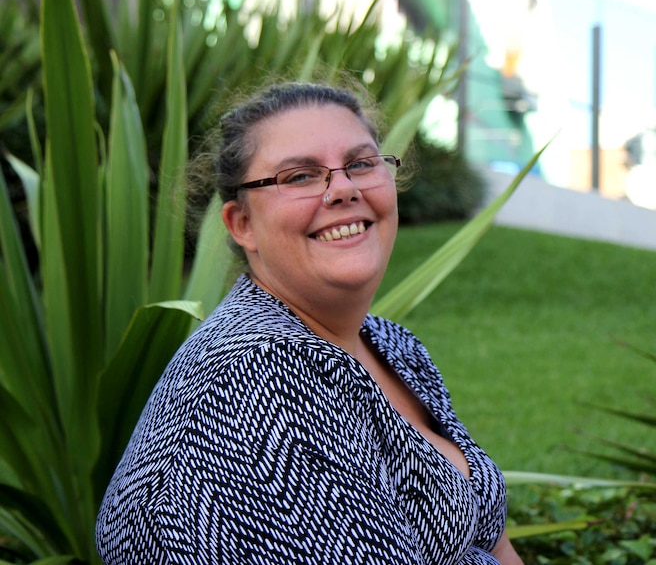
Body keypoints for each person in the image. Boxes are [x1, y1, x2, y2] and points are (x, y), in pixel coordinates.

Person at [95, 81, 523, 565]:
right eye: (299, 176)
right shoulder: (254, 384)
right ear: (242, 225)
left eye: (361, 163)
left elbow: (491, 537)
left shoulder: (393, 345)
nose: (343, 188)